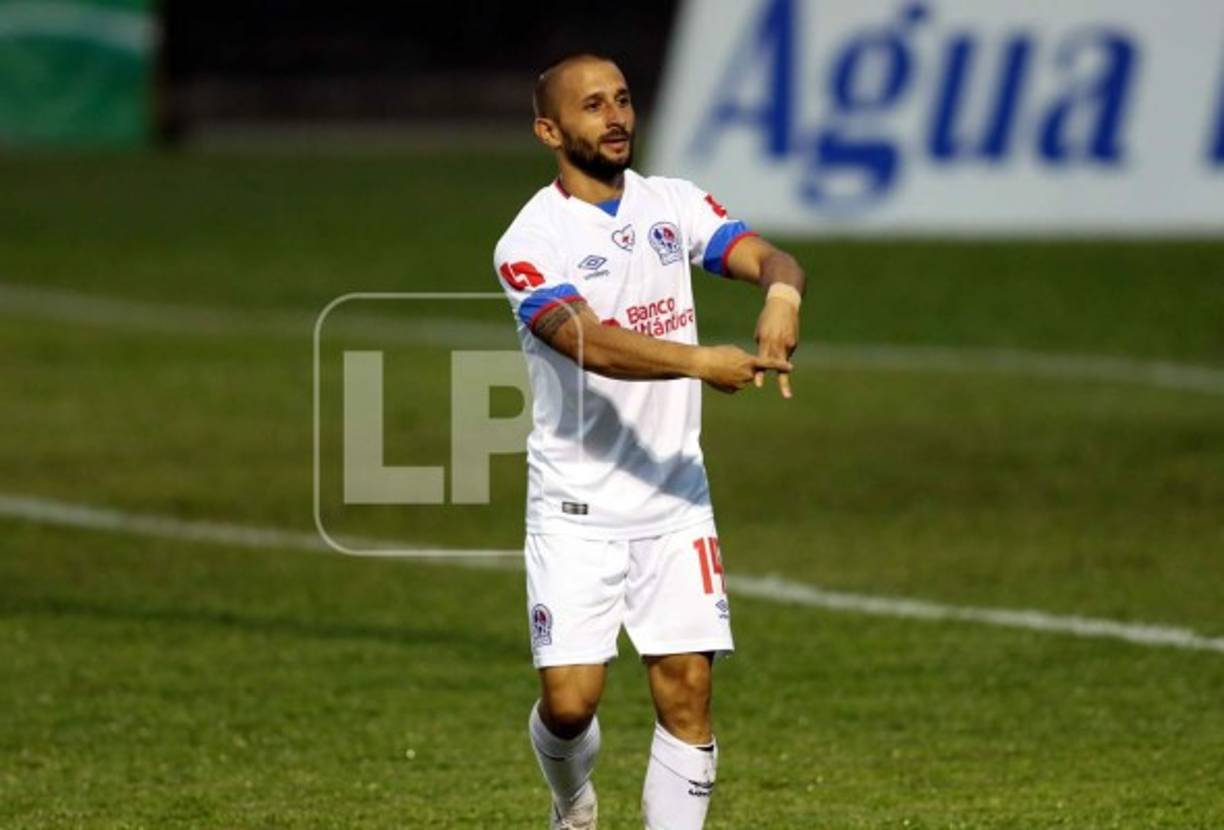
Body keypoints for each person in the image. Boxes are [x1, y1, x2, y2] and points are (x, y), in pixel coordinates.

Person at [493, 53, 806, 830]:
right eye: (593, 105)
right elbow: (586, 341)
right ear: (550, 130)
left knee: (687, 692)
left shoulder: (673, 204)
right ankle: (572, 801)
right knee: (570, 704)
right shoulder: (529, 242)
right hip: (576, 503)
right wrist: (700, 362)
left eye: (624, 100)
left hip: (674, 498)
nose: (616, 116)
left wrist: (782, 292)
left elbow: (771, 254)